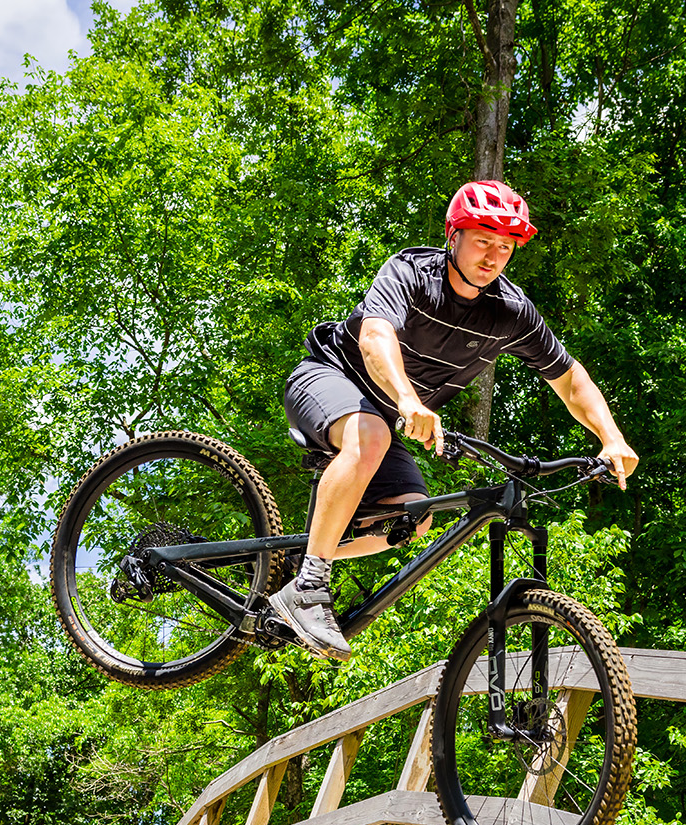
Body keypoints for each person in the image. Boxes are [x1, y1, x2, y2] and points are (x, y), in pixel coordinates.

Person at [269, 180, 639, 662]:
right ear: (453, 235)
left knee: (412, 517)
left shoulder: (510, 313)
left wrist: (611, 438)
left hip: (388, 417)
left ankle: (296, 563)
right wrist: (407, 400)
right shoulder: (411, 273)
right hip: (331, 378)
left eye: (505, 247)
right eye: (483, 240)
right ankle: (311, 587)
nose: (493, 256)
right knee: (372, 433)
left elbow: (570, 380)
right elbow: (375, 338)